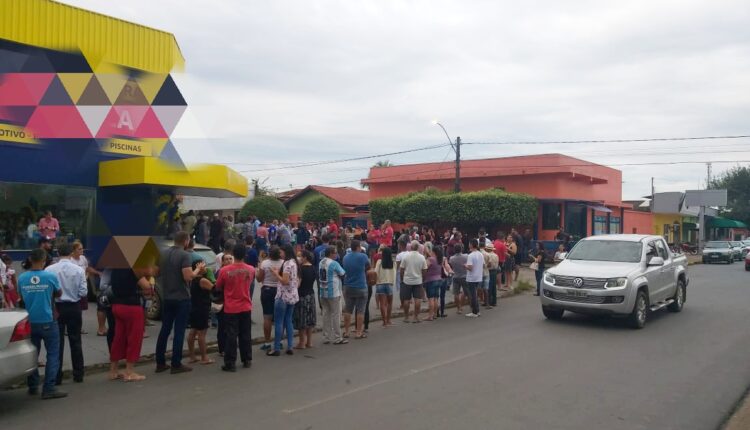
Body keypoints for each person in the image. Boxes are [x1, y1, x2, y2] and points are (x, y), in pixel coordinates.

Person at [18, 249, 66, 399]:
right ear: (44, 260)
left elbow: (21, 298)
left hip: (30, 321)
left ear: (30, 260)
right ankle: (49, 388)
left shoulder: (22, 278)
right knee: (52, 355)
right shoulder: (50, 276)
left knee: (33, 355)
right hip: (48, 320)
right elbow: (59, 294)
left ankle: (33, 386)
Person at [155, 231, 203, 374]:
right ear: (186, 241)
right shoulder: (184, 255)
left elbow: (157, 272)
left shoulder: (163, 254)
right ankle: (176, 363)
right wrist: (198, 270)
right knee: (179, 331)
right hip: (181, 297)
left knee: (165, 329)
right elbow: (188, 277)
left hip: (167, 296)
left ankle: (160, 362)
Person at [45, 243, 88, 385]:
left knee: (57, 343)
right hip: (74, 306)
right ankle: (78, 374)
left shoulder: (49, 269)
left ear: (57, 253)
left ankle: (57, 377)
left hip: (57, 307)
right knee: (76, 341)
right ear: (71, 253)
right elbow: (83, 292)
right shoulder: (78, 269)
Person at [108, 266, 152, 382]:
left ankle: (113, 371)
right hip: (131, 306)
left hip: (117, 305)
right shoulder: (134, 268)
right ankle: (129, 371)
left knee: (118, 339)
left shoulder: (116, 269)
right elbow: (146, 286)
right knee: (134, 339)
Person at [215, 245, 255, 371]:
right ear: (245, 255)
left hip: (231, 307)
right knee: (245, 334)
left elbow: (218, 286)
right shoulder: (251, 269)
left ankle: (230, 362)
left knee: (231, 335)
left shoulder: (224, 270)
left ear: (233, 254)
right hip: (246, 305)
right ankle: (247, 359)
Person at [268, 244, 299, 356]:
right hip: (292, 295)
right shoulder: (294, 263)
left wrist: (276, 273)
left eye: (281, 252)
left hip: (283, 295)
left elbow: (285, 281)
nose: (280, 254)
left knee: (279, 322)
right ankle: (290, 345)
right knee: (288, 320)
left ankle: (276, 347)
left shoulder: (287, 264)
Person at [341, 240, 370, 339]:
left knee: (348, 310)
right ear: (358, 247)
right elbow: (368, 266)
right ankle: (358, 332)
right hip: (361, 285)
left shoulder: (345, 257)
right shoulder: (363, 256)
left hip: (348, 285)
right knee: (360, 310)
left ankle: (346, 331)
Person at [187, 260, 214, 365]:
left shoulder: (193, 280)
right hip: (202, 307)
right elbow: (214, 289)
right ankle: (204, 357)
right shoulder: (203, 280)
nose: (206, 268)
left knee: (193, 331)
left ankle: (192, 356)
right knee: (202, 333)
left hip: (194, 307)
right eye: (204, 266)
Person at [256, 245, 283, 351]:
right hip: (279, 289)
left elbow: (259, 279)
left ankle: (267, 342)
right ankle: (279, 341)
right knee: (279, 318)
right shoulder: (283, 263)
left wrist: (257, 271)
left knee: (267, 317)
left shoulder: (265, 263)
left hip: (267, 289)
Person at [319, 246, 347, 345]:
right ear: (331, 253)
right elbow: (343, 273)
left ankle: (326, 337)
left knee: (326, 314)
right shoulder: (334, 263)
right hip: (333, 291)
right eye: (335, 253)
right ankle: (337, 337)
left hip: (323, 291)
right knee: (336, 315)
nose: (336, 254)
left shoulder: (321, 262)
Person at [400, 240, 427, 323]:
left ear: (411, 247)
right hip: (418, 280)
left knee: (406, 300)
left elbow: (401, 269)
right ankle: (416, 317)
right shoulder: (422, 257)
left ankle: (406, 317)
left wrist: (402, 278)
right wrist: (422, 278)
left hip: (407, 280)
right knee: (418, 299)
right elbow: (424, 270)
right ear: (418, 248)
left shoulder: (406, 256)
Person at [294, 250, 316, 349]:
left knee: (301, 319)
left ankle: (302, 342)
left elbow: (298, 284)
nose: (298, 258)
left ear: (305, 258)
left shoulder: (300, 269)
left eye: (300, 256)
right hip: (310, 295)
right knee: (310, 319)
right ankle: (309, 342)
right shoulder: (313, 268)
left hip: (301, 296)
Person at [374, 246, 395, 327]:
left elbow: (376, 272)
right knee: (390, 303)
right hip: (389, 283)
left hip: (380, 284)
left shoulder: (379, 262)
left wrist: (376, 281)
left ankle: (384, 322)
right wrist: (392, 282)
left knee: (382, 304)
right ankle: (389, 320)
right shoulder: (393, 262)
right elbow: (394, 273)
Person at [464, 239, 483, 318]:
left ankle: (475, 311)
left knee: (473, 295)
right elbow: (483, 264)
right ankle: (477, 310)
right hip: (478, 276)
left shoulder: (470, 255)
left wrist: (465, 266)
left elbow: (470, 268)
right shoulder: (480, 254)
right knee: (475, 293)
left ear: (471, 245)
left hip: (471, 277)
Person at [424, 246, 443, 321]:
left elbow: (425, 267)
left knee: (430, 299)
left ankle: (430, 316)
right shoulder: (440, 259)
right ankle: (435, 314)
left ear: (434, 252)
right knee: (436, 298)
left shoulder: (431, 259)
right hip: (438, 279)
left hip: (430, 280)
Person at [448, 244, 467, 314]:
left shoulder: (451, 258)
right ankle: (462, 306)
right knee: (465, 292)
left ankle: (458, 308)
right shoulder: (466, 256)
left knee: (456, 293)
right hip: (464, 276)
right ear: (461, 249)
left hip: (455, 276)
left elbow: (450, 266)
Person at [485, 242, 499, 308]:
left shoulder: (488, 255)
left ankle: (489, 301)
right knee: (493, 286)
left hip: (489, 271)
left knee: (489, 287)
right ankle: (494, 301)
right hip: (495, 271)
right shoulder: (496, 255)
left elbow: (488, 264)